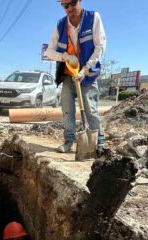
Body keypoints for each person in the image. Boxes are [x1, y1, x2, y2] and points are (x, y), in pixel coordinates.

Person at [46, 0, 107, 154]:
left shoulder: (93, 18)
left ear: (80, 1)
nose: (70, 8)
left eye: (72, 3)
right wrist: (64, 56)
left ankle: (98, 144)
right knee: (67, 110)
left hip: (87, 76)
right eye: (65, 6)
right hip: (68, 76)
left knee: (90, 110)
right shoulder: (60, 25)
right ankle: (69, 141)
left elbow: (100, 47)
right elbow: (49, 52)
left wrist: (85, 69)